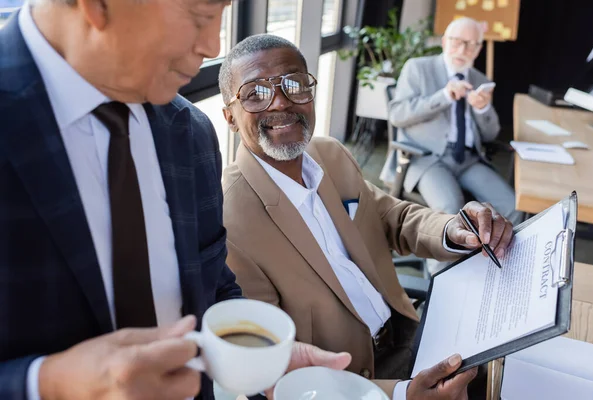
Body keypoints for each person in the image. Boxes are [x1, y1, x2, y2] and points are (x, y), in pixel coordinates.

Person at [0, 2, 350, 400]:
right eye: (200, 14)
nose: (212, 43)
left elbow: (211, 282)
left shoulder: (192, 132)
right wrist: (48, 383)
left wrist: (257, 356)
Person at [220, 34, 514, 400]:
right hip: (355, 381)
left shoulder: (328, 153)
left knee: (508, 372)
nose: (280, 101)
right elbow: (272, 369)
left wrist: (454, 229)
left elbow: (393, 216)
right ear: (230, 117)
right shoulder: (230, 221)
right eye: (254, 93)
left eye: (294, 84)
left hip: (408, 326)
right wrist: (402, 394)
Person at [383, 17, 521, 274]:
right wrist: (445, 95)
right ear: (445, 42)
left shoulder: (479, 78)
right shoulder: (418, 68)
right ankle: (440, 283)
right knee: (450, 212)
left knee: (513, 206)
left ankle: (499, 269)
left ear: (479, 48)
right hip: (427, 158)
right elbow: (398, 114)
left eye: (471, 44)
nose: (463, 50)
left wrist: (483, 108)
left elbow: (490, 133)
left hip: (468, 160)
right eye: (457, 42)